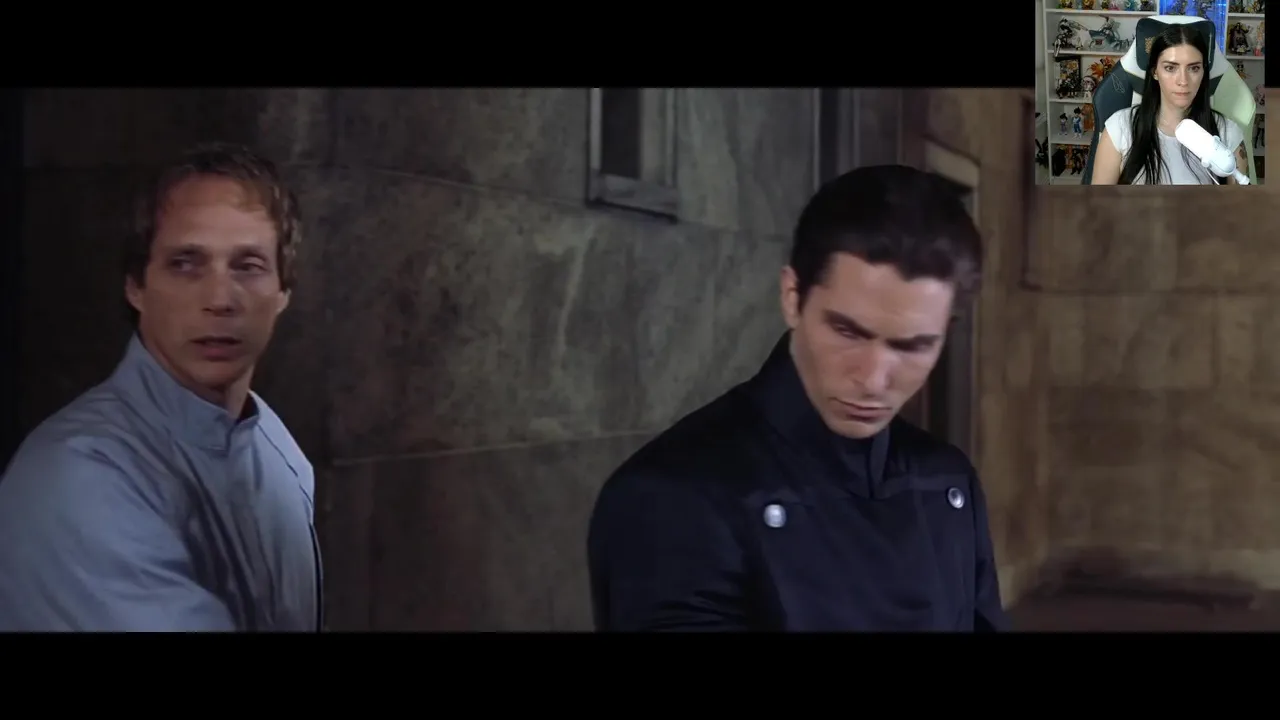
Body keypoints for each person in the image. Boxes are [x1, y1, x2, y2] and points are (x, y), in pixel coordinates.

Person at [587, 165, 1006, 632]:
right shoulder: (672, 496)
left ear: (945, 334)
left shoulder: (948, 480)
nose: (873, 379)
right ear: (792, 297)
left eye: (912, 346)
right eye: (847, 331)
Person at [0, 143, 323, 632]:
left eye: (248, 265)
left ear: (283, 291)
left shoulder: (278, 451)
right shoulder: (78, 473)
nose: (220, 299)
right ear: (136, 286)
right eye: (186, 263)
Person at [1091, 23, 1248, 185]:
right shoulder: (1119, 129)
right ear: (1155, 72)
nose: (1183, 81)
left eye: (1194, 68)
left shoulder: (1228, 134)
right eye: (1170, 68)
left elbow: (1239, 200)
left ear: (1203, 72)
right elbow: (1099, 200)